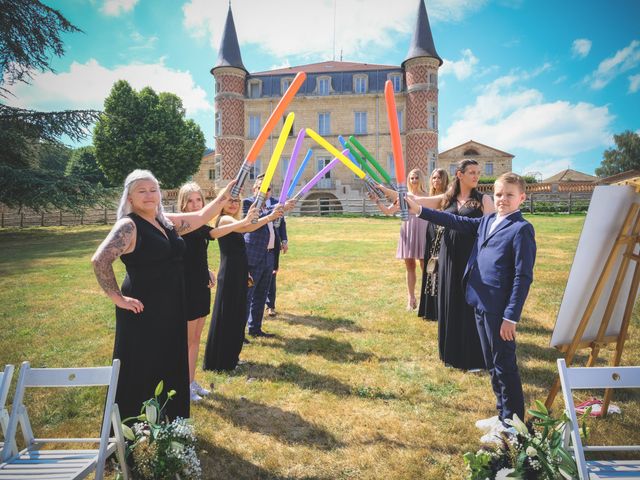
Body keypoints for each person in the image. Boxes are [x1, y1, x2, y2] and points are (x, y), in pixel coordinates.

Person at [91, 169, 233, 420]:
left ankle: (168, 423)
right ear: (130, 198)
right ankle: (137, 429)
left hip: (172, 307)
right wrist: (118, 298)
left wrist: (222, 197)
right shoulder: (129, 225)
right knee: (144, 368)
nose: (149, 195)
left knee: (168, 364)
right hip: (144, 311)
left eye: (153, 189)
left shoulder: (165, 222)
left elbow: (200, 217)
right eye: (141, 191)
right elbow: (100, 260)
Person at [407, 172, 536, 441]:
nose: (502, 199)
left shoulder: (521, 229)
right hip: (478, 301)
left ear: (521, 198)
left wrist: (511, 317)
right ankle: (502, 414)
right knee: (491, 362)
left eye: (509, 195)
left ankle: (513, 424)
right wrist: (420, 210)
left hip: (499, 310)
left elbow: (523, 277)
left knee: (504, 364)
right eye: (499, 194)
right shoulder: (487, 219)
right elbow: (453, 219)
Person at [379, 159, 494, 371]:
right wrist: (384, 190)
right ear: (459, 175)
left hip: (472, 259)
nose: (476, 176)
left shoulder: (484, 200)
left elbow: (492, 230)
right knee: (450, 302)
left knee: (471, 306)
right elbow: (413, 200)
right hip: (448, 257)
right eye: (471, 172)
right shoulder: (446, 199)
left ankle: (475, 357)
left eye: (478, 172)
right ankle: (451, 354)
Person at [202, 196, 277, 371]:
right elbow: (246, 225)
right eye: (230, 200)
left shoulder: (233, 221)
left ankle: (230, 359)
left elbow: (248, 227)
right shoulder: (225, 219)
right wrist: (266, 217)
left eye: (237, 201)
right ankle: (221, 361)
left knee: (235, 316)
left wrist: (269, 218)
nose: (234, 204)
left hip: (237, 271)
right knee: (229, 316)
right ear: (222, 203)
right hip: (230, 273)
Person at [242, 175, 292, 338]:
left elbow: (277, 220)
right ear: (254, 189)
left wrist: (282, 208)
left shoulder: (268, 207)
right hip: (254, 255)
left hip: (269, 255)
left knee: (261, 294)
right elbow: (253, 222)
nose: (264, 192)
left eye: (267, 189)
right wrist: (276, 210)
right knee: (247, 296)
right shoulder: (249, 204)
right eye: (260, 189)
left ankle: (255, 328)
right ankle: (238, 333)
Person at [418, 168, 449, 321]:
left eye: (439, 178)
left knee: (440, 269)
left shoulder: (449, 197)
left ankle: (440, 309)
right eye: (434, 177)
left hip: (443, 230)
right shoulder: (430, 196)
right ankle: (429, 309)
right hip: (431, 230)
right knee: (430, 269)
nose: (436, 180)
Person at [265, 190, 288, 317]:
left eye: (269, 188)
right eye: (263, 187)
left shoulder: (277, 202)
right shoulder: (251, 202)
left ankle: (270, 305)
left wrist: (284, 241)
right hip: (258, 246)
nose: (266, 191)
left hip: (274, 245)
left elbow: (282, 224)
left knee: (272, 275)